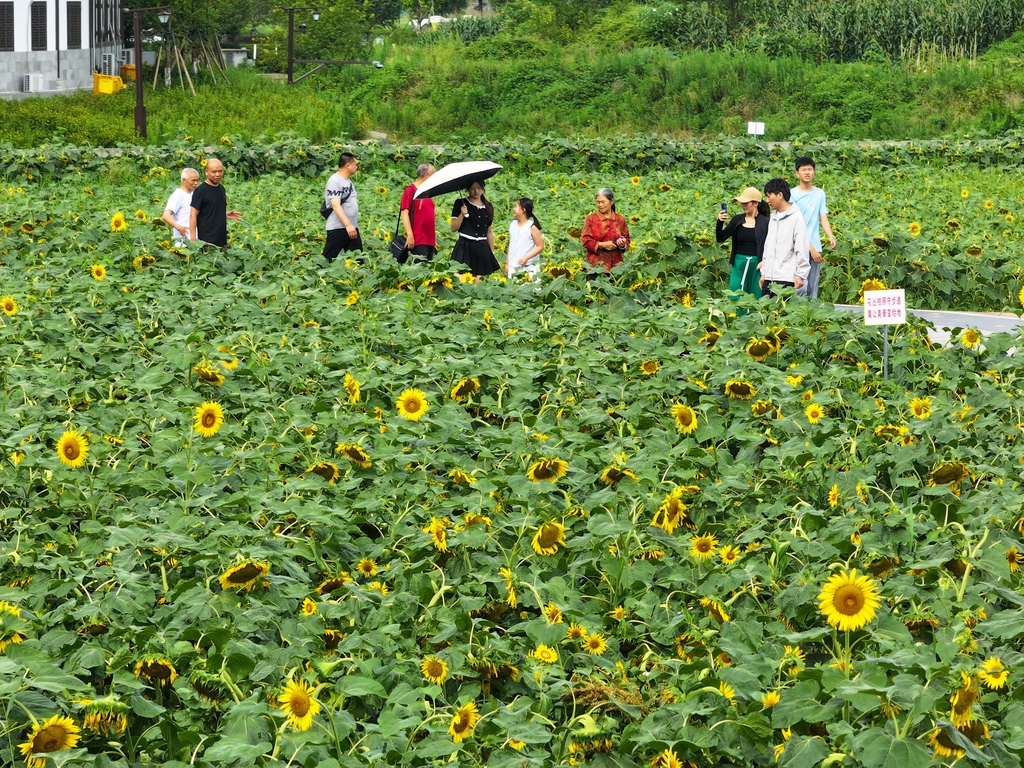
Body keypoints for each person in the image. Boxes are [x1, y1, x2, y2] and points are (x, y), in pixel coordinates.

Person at [791, 156, 837, 299]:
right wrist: (810, 248)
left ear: (814, 172)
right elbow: (795, 225)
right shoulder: (792, 194)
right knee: (800, 286)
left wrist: (830, 235)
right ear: (797, 173)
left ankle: (812, 318)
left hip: (815, 245)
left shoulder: (819, 193)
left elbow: (823, 216)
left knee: (812, 286)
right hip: (799, 245)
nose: (807, 172)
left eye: (810, 169)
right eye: (803, 170)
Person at [758, 178, 809, 298]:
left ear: (780, 195)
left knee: (782, 314)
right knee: (765, 314)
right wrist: (764, 272)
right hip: (769, 278)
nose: (767, 200)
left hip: (786, 278)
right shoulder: (773, 217)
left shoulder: (796, 217)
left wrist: (800, 275)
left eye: (769, 196)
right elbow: (768, 246)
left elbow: (801, 247)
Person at [716, 186, 770, 300]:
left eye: (746, 202)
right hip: (739, 262)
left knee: (756, 294)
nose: (743, 205)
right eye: (742, 202)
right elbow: (721, 238)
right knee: (736, 294)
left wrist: (766, 262)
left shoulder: (765, 222)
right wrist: (720, 222)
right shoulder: (737, 220)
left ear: (756, 203)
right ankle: (737, 317)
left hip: (758, 264)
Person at [450, 180, 500, 277]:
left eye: (479, 188)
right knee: (461, 279)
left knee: (480, 282)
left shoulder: (488, 206)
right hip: (464, 247)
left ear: (483, 188)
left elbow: (489, 232)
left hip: (482, 248)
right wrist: (462, 214)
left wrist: (492, 252)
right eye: (472, 188)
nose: (476, 191)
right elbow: (453, 228)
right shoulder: (460, 203)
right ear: (468, 189)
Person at [190, 158, 241, 248]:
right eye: (214, 172)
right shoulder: (200, 191)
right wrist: (193, 240)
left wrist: (223, 214)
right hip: (207, 241)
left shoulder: (221, 189)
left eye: (220, 171)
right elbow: (193, 215)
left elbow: (209, 210)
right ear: (206, 172)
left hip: (221, 238)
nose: (217, 174)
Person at [323, 152, 362, 263]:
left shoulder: (348, 181)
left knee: (359, 261)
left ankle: (359, 279)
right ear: (348, 165)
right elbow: (335, 205)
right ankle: (315, 278)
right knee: (326, 260)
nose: (357, 167)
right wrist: (348, 225)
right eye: (355, 164)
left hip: (351, 228)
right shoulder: (334, 181)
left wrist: (351, 226)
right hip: (338, 228)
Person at [582, 188, 630, 275]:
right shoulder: (591, 219)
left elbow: (627, 239)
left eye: (603, 202)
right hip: (595, 267)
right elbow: (585, 240)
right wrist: (601, 245)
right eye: (598, 202)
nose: (600, 205)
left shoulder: (620, 219)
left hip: (616, 266)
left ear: (611, 202)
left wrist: (622, 244)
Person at [398, 163, 437, 263]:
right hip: (418, 238)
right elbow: (404, 213)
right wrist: (410, 235)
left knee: (428, 271)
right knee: (421, 270)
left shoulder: (428, 192)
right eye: (434, 175)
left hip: (429, 239)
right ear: (426, 175)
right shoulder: (410, 190)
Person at [506, 198, 544, 280]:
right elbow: (511, 244)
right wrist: (507, 263)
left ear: (523, 210)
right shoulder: (513, 224)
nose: (513, 209)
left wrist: (527, 257)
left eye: (516, 206)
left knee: (530, 289)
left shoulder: (532, 227)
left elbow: (540, 246)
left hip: (529, 266)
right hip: (513, 264)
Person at [162, 168, 199, 243]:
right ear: (184, 180)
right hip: (182, 241)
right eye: (193, 180)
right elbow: (166, 215)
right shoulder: (178, 195)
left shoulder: (193, 195)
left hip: (194, 239)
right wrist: (178, 227)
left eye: (197, 180)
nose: (196, 183)